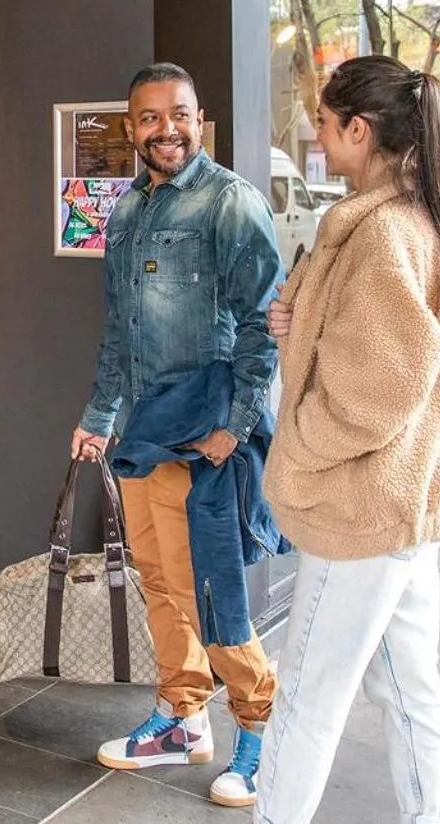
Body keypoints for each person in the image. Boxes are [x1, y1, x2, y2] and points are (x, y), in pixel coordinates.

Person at [253, 55, 440, 824]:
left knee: (308, 700)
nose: (315, 137)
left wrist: (296, 453)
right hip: (400, 506)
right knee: (410, 690)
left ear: (360, 129)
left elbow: (372, 392)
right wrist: (299, 320)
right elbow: (375, 351)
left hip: (362, 509)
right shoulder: (402, 222)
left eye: (323, 122)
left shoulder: (383, 232)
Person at [71, 62, 285, 810]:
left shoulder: (232, 204)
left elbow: (265, 328)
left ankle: (260, 733)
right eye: (152, 117)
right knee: (160, 581)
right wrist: (99, 418)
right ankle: (181, 717)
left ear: (201, 121)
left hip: (204, 436)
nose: (168, 129)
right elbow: (119, 333)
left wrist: (235, 428)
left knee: (213, 591)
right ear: (131, 128)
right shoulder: (126, 213)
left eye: (181, 115)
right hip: (141, 433)